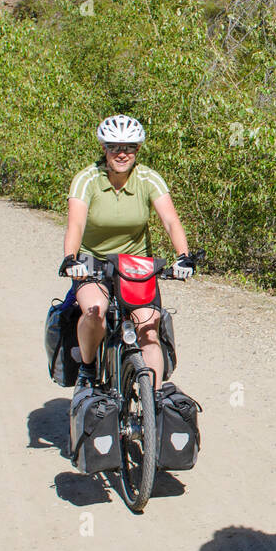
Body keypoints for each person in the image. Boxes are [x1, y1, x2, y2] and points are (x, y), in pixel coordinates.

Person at [61, 115, 194, 391]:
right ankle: (87, 368)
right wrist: (71, 258)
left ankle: (153, 404)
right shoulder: (87, 179)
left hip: (135, 262)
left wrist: (183, 256)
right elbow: (76, 223)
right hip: (91, 260)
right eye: (114, 146)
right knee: (94, 312)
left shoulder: (148, 178)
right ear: (104, 148)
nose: (122, 153)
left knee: (149, 330)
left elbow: (171, 221)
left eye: (129, 147)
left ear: (138, 150)